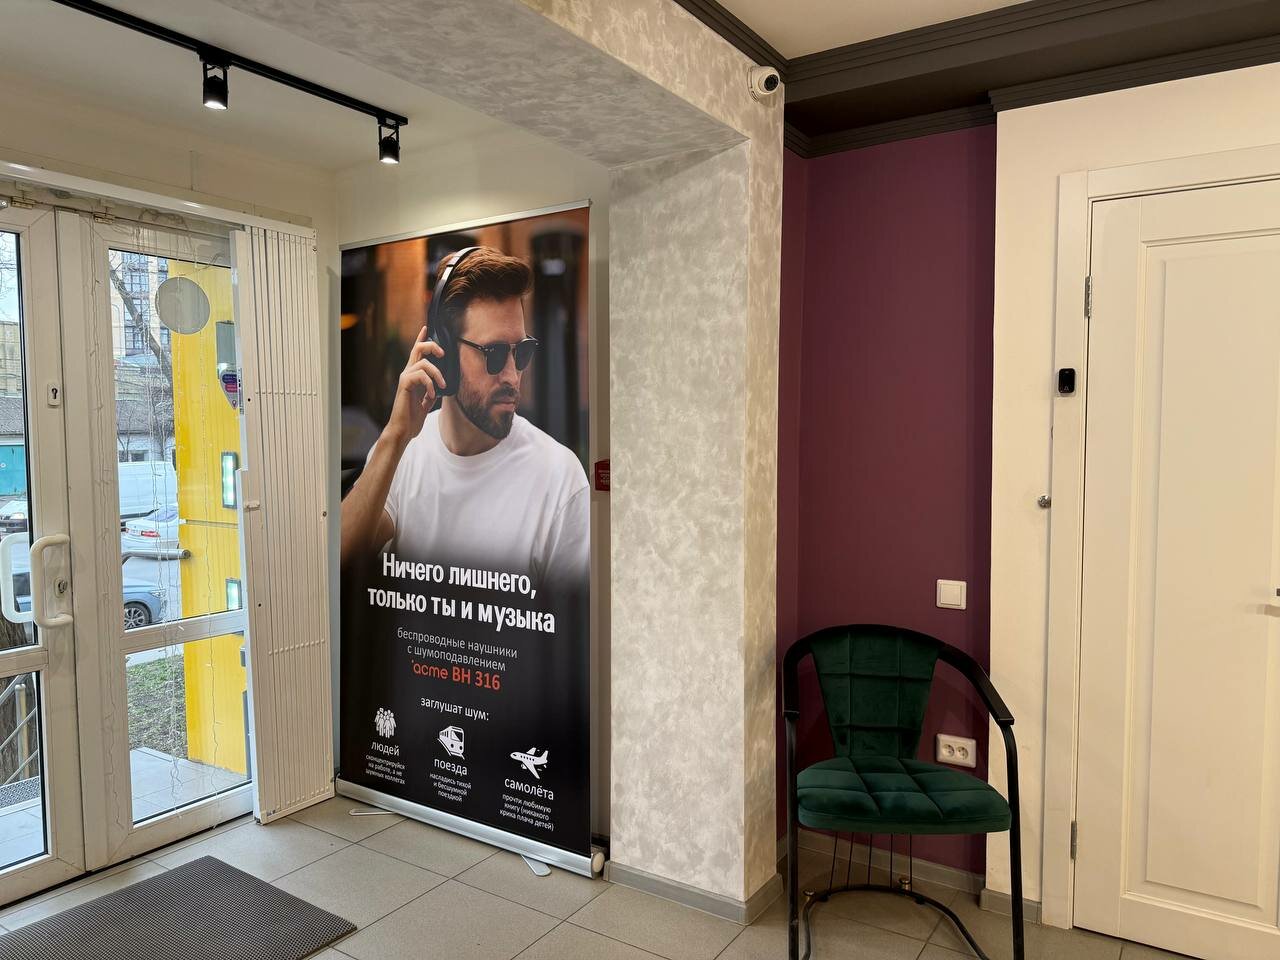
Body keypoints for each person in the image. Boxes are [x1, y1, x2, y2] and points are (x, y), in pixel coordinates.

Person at [340, 247, 589, 589]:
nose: (512, 376)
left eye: (522, 352)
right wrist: (395, 436)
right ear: (445, 356)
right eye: (494, 353)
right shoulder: (403, 454)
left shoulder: (560, 478)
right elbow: (337, 564)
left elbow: (570, 618)